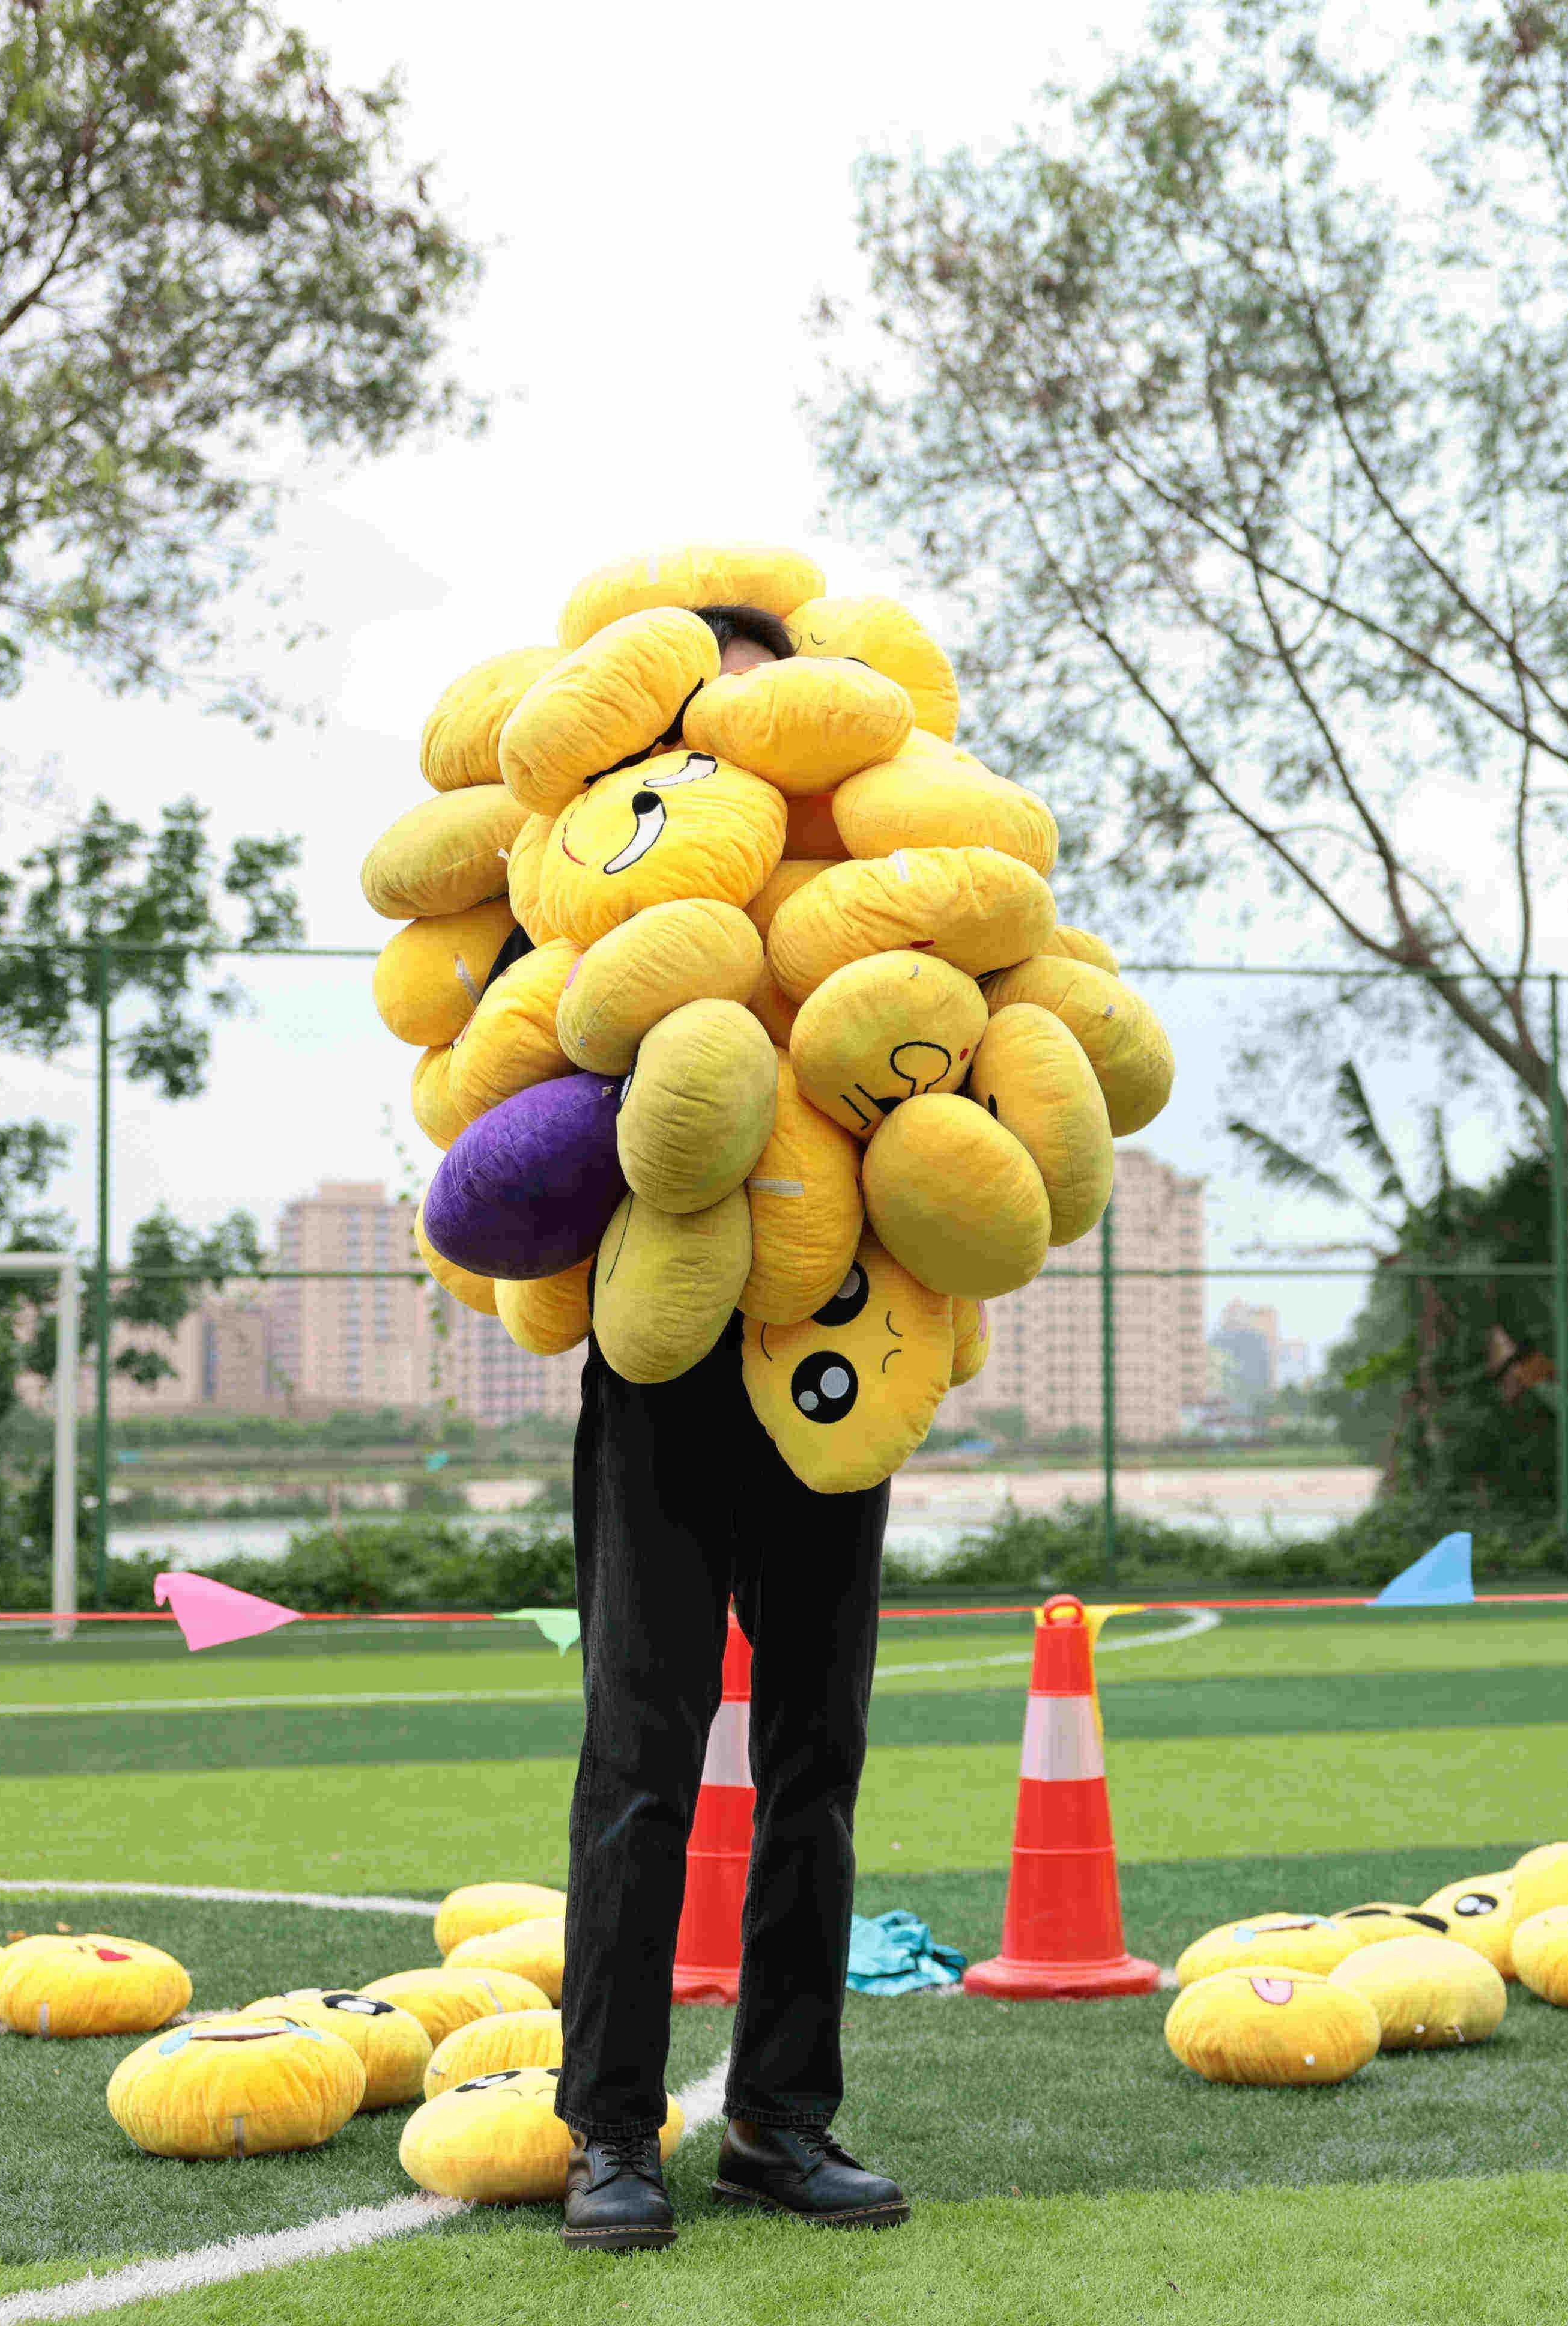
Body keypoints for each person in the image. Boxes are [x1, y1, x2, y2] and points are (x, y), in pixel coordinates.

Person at [557, 605, 913, 2250]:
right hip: (663, 1370)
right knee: (640, 1755)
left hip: (829, 1369)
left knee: (814, 1763)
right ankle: (612, 2135)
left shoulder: (865, 905)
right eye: (721, 721)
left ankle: (783, 2117)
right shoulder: (623, 898)